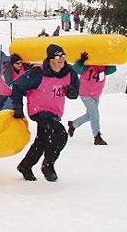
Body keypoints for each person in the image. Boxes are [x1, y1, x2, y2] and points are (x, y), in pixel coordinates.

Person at [11, 44, 79, 182]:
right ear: (50, 59)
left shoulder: (69, 72)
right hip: (39, 111)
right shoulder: (37, 73)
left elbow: (75, 91)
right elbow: (17, 86)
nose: (61, 59)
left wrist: (72, 92)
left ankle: (25, 166)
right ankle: (48, 165)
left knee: (42, 140)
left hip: (55, 112)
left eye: (63, 56)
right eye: (58, 56)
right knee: (60, 134)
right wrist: (18, 106)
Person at [68, 53, 116, 145]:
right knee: (95, 115)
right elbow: (76, 69)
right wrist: (81, 61)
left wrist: (110, 58)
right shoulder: (87, 66)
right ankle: (97, 136)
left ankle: (73, 124)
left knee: (89, 116)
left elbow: (113, 69)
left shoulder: (104, 68)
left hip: (96, 94)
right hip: (85, 93)